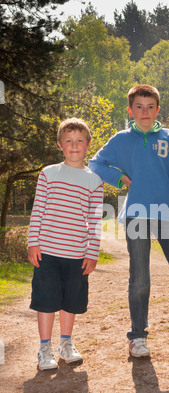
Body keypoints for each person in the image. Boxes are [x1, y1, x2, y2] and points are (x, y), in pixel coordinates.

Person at [89, 84, 169, 357]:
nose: (144, 112)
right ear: (130, 110)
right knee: (140, 279)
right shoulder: (121, 139)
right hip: (135, 214)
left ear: (158, 110)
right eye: (138, 107)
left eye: (150, 107)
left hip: (168, 214)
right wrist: (120, 177)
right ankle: (137, 337)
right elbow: (95, 164)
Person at [28, 118, 103, 370]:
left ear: (88, 144)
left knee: (71, 301)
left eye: (79, 141)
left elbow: (94, 220)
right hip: (47, 252)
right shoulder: (48, 173)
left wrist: (92, 252)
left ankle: (66, 343)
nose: (74, 146)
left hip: (76, 254)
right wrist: (33, 243)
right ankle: (45, 348)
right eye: (69, 141)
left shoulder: (94, 180)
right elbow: (38, 210)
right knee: (47, 300)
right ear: (60, 144)